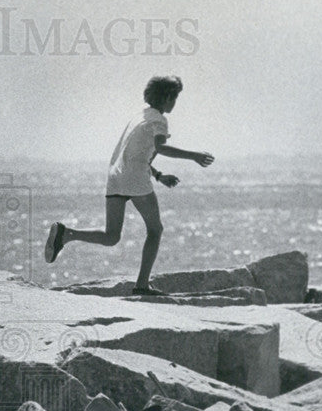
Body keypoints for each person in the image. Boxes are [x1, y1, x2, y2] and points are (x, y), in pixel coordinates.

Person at [44, 75, 214, 295]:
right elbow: (160, 147)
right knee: (155, 230)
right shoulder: (159, 120)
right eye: (175, 98)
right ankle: (142, 285)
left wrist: (159, 175)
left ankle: (66, 234)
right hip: (134, 179)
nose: (175, 103)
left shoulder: (139, 117)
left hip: (116, 176)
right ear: (167, 97)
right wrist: (194, 156)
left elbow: (137, 154)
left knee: (111, 236)